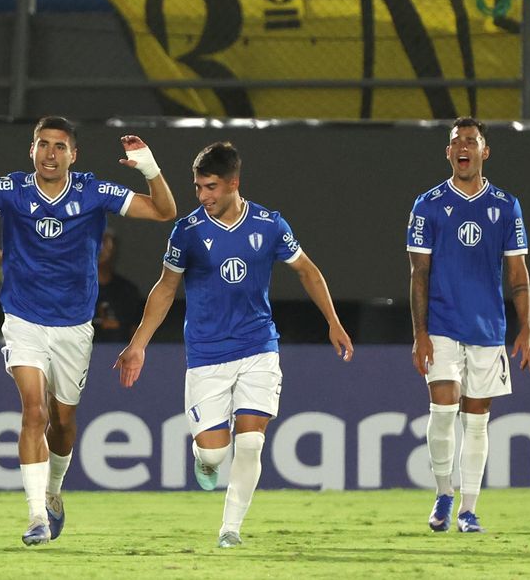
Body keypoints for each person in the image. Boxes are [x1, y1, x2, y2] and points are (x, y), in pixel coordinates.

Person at [0, 113, 176, 545]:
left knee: (62, 423)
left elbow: (163, 211)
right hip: (23, 319)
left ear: (72, 155)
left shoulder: (94, 191)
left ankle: (54, 492)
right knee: (33, 411)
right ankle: (35, 517)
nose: (50, 153)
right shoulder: (13, 190)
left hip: (74, 327)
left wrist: (150, 169)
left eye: (59, 146)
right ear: (32, 150)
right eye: (43, 144)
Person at [114, 141, 353, 549]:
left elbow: (307, 271)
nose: (203, 196)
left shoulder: (269, 224)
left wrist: (333, 321)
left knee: (252, 440)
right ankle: (203, 458)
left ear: (233, 183)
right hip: (206, 355)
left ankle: (230, 529)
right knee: (213, 455)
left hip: (258, 346)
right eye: (198, 188)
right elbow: (166, 289)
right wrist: (138, 344)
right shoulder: (187, 231)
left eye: (211, 187)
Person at [407, 116, 530, 534]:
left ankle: (468, 509)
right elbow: (418, 273)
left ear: (484, 151)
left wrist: (526, 328)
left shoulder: (505, 205)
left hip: (487, 329)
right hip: (441, 325)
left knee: (476, 420)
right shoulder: (426, 205)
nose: (463, 147)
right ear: (448, 153)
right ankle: (444, 494)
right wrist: (419, 333)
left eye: (471, 141)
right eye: (456, 141)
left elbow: (517, 273)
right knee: (443, 410)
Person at [0, 227, 144, 342]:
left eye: (105, 241)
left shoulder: (127, 291)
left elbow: (136, 336)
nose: (100, 248)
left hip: (111, 365)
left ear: (114, 247)